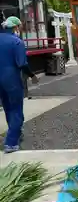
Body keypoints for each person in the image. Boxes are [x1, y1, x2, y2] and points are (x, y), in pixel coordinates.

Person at [0, 16, 38, 153]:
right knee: (16, 110)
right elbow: (22, 64)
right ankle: (10, 143)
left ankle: (15, 133)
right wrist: (32, 75)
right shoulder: (17, 42)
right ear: (15, 27)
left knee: (7, 108)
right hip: (11, 79)